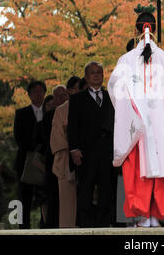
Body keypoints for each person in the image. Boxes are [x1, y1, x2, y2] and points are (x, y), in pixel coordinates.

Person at [108, 6, 164, 228]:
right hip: (162, 125)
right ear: (155, 30)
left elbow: (114, 90)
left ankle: (143, 216)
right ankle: (156, 214)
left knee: (139, 170)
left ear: (136, 31)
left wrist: (133, 114)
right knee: (159, 164)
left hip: (137, 125)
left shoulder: (126, 60)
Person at [68, 62, 116, 228]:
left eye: (99, 72)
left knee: (106, 187)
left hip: (107, 150)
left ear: (103, 76)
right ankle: (85, 223)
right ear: (86, 77)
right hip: (86, 150)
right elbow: (72, 126)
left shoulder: (111, 97)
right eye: (92, 73)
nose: (96, 75)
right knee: (86, 187)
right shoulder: (76, 99)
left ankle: (104, 221)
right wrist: (74, 148)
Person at [50, 77, 88, 228]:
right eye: (76, 89)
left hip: (89, 156)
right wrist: (73, 149)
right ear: (70, 91)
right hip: (67, 158)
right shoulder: (61, 110)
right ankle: (67, 228)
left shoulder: (90, 106)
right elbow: (57, 138)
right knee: (67, 199)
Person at [13, 80, 47, 229]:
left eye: (41, 91)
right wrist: (30, 150)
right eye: (35, 91)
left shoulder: (50, 111)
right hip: (26, 159)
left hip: (45, 159)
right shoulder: (21, 113)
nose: (38, 94)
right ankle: (23, 226)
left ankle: (45, 224)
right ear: (29, 94)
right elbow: (18, 136)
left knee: (45, 195)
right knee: (24, 195)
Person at [40, 85, 69, 228]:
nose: (61, 98)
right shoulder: (48, 116)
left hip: (70, 158)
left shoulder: (72, 111)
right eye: (58, 96)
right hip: (54, 158)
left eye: (64, 95)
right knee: (53, 193)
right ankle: (51, 223)